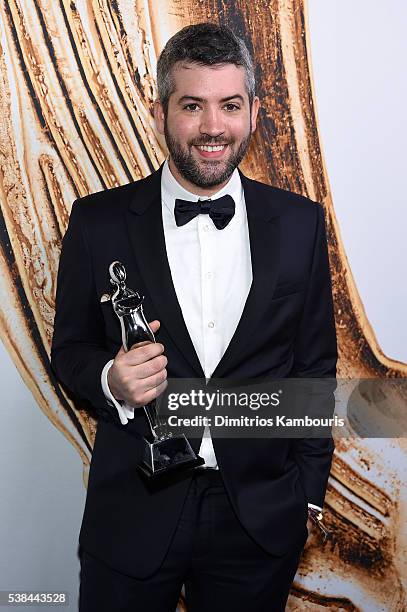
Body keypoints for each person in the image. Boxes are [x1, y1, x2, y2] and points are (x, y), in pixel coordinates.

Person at [51, 22, 337, 612]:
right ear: (159, 115)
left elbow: (314, 365)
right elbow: (71, 349)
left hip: (257, 520)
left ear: (254, 112)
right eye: (192, 106)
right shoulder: (98, 222)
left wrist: (306, 495)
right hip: (132, 513)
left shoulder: (301, 223)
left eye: (230, 105)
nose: (213, 127)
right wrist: (111, 379)